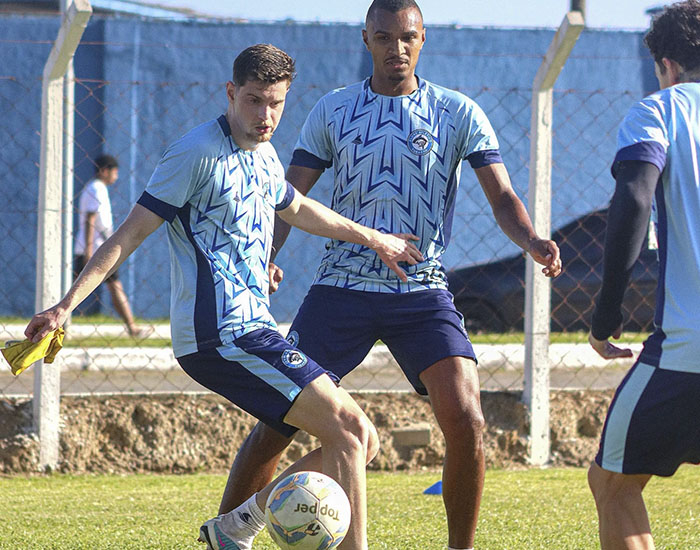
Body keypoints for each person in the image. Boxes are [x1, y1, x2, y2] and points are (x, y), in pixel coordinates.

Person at [24, 43, 424, 550]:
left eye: (276, 103)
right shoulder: (194, 153)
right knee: (346, 429)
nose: (265, 116)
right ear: (231, 93)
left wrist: (372, 238)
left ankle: (236, 526)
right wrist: (65, 306)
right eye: (254, 100)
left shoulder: (266, 154)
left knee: (362, 439)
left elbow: (297, 208)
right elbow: (131, 232)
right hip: (218, 335)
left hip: (253, 328)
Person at [217, 3, 562, 550]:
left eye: (407, 37)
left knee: (467, 420)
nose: (396, 48)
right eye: (383, 38)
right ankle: (227, 535)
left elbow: (502, 196)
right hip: (340, 289)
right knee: (278, 420)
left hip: (421, 291)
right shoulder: (334, 110)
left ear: (423, 39)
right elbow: (289, 196)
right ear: (366, 39)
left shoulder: (457, 112)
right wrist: (265, 256)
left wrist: (532, 240)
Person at [587, 2, 700, 549]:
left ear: (666, 65)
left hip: (687, 348)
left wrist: (606, 315)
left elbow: (634, 200)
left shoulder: (659, 110)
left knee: (613, 483)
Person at [74, 154, 148, 337]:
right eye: (114, 172)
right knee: (88, 288)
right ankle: (131, 327)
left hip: (98, 247)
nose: (116, 176)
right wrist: (89, 250)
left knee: (111, 286)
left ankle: (131, 326)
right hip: (95, 249)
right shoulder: (96, 188)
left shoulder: (97, 188)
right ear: (103, 171)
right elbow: (90, 218)